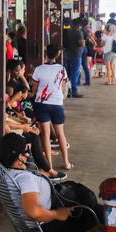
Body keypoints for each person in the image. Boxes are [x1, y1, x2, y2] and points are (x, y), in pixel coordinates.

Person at [0, 134, 103, 232]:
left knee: (81, 193)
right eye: (25, 152)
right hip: (48, 231)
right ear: (19, 156)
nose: (27, 156)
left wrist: (12, 200)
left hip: (29, 227)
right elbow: (35, 213)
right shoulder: (24, 178)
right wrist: (57, 214)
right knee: (93, 209)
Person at [32, 43, 72, 171]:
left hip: (42, 104)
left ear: (46, 54)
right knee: (60, 133)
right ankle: (66, 162)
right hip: (57, 104)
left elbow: (34, 89)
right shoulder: (61, 69)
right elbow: (64, 87)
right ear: (57, 54)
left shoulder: (39, 69)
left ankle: (49, 165)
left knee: (45, 135)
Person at [62, 17, 85, 96]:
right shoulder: (77, 32)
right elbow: (81, 43)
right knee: (75, 73)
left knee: (68, 73)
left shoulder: (66, 31)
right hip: (76, 55)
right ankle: (74, 91)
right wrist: (83, 43)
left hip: (67, 54)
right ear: (79, 25)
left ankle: (67, 90)